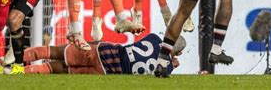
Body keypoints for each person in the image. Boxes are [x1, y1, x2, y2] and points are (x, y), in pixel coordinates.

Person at [24, 33, 186, 75]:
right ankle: (21, 72)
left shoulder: (154, 38)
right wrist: (172, 63)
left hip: (105, 52)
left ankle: (17, 60)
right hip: (105, 72)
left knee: (56, 51)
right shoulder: (167, 68)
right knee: (61, 69)